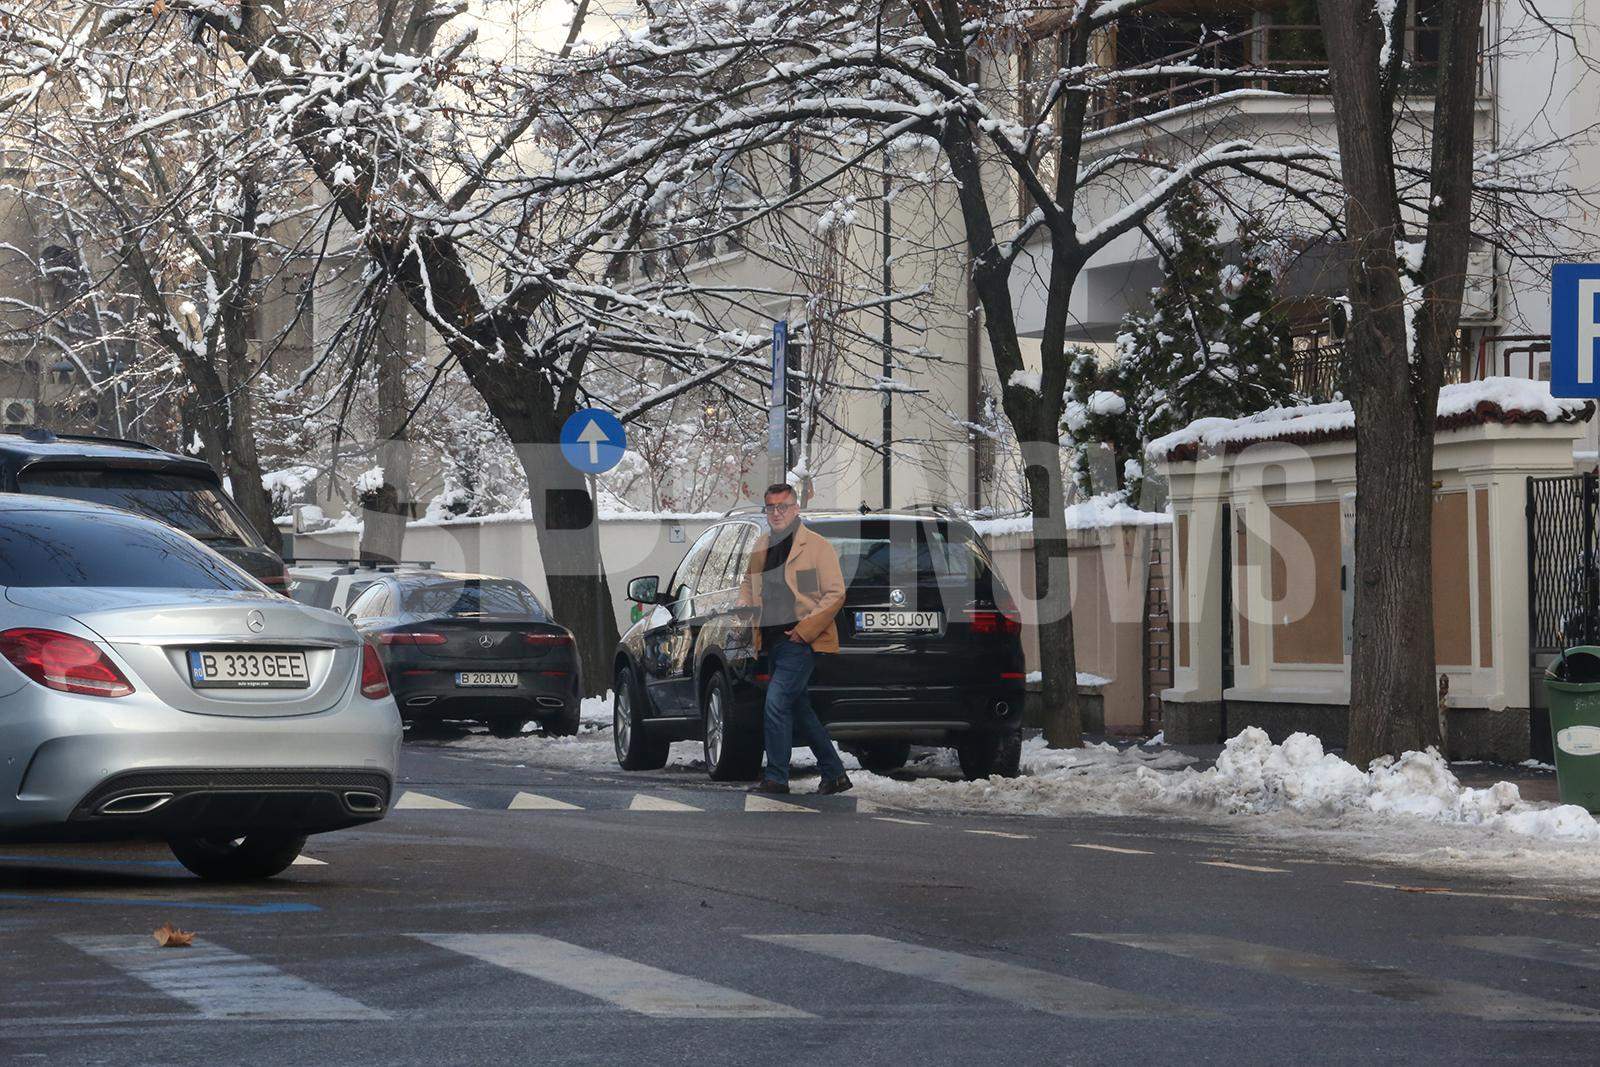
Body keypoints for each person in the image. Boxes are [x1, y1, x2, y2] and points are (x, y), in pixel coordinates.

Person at [738, 483, 852, 795]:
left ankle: (776, 777)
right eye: (771, 507)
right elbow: (749, 582)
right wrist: (746, 611)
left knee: (776, 703)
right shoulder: (762, 545)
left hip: (800, 642)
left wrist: (806, 630)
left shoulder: (816, 546)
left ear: (796, 508)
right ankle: (835, 773)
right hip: (770, 640)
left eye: (783, 506)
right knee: (799, 708)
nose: (776, 513)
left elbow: (835, 593)